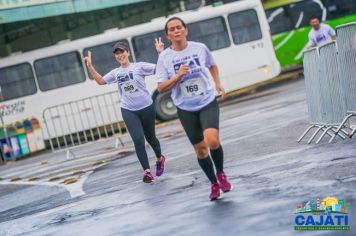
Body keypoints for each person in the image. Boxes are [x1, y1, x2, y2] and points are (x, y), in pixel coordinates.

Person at [155, 17, 232, 200]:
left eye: (179, 27)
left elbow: (212, 65)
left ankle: (220, 173)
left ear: (185, 30)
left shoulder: (199, 48)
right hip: (185, 108)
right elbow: (160, 88)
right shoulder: (164, 57)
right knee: (201, 150)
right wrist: (178, 76)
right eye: (172, 29)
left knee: (212, 140)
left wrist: (218, 83)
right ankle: (213, 183)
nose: (176, 31)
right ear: (168, 35)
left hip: (206, 101)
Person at [84, 42, 166, 184]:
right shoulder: (116, 73)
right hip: (128, 110)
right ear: (115, 56)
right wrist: (90, 66)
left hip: (146, 107)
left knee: (151, 138)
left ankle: (160, 158)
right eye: (117, 53)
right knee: (138, 140)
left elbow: (159, 69)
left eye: (122, 52)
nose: (120, 55)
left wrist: (160, 53)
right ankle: (147, 172)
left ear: (128, 52)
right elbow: (100, 81)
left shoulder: (139, 66)